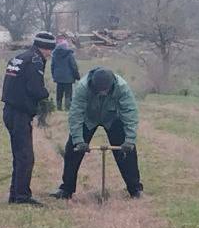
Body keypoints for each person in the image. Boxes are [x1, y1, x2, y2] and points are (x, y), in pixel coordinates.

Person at [50, 67, 143, 199]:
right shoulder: (83, 87)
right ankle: (66, 189)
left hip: (112, 117)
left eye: (106, 90)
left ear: (111, 85)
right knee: (72, 150)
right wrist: (78, 141)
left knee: (127, 152)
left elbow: (130, 113)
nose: (103, 93)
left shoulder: (122, 87)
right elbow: (76, 115)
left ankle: (135, 189)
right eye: (100, 90)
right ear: (94, 85)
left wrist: (129, 140)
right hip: (88, 118)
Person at [1, 31, 57, 205]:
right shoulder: (35, 61)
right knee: (25, 156)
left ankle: (15, 194)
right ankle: (22, 196)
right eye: (49, 49)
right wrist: (45, 94)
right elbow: (35, 89)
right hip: (19, 113)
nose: (50, 53)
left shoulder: (19, 57)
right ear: (44, 47)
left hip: (9, 110)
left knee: (19, 155)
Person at [50, 39, 81, 111]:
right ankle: (67, 108)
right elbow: (73, 66)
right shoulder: (69, 55)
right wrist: (77, 76)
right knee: (68, 93)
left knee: (59, 92)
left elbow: (52, 66)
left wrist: (54, 75)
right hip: (68, 77)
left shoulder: (55, 54)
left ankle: (59, 107)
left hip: (58, 77)